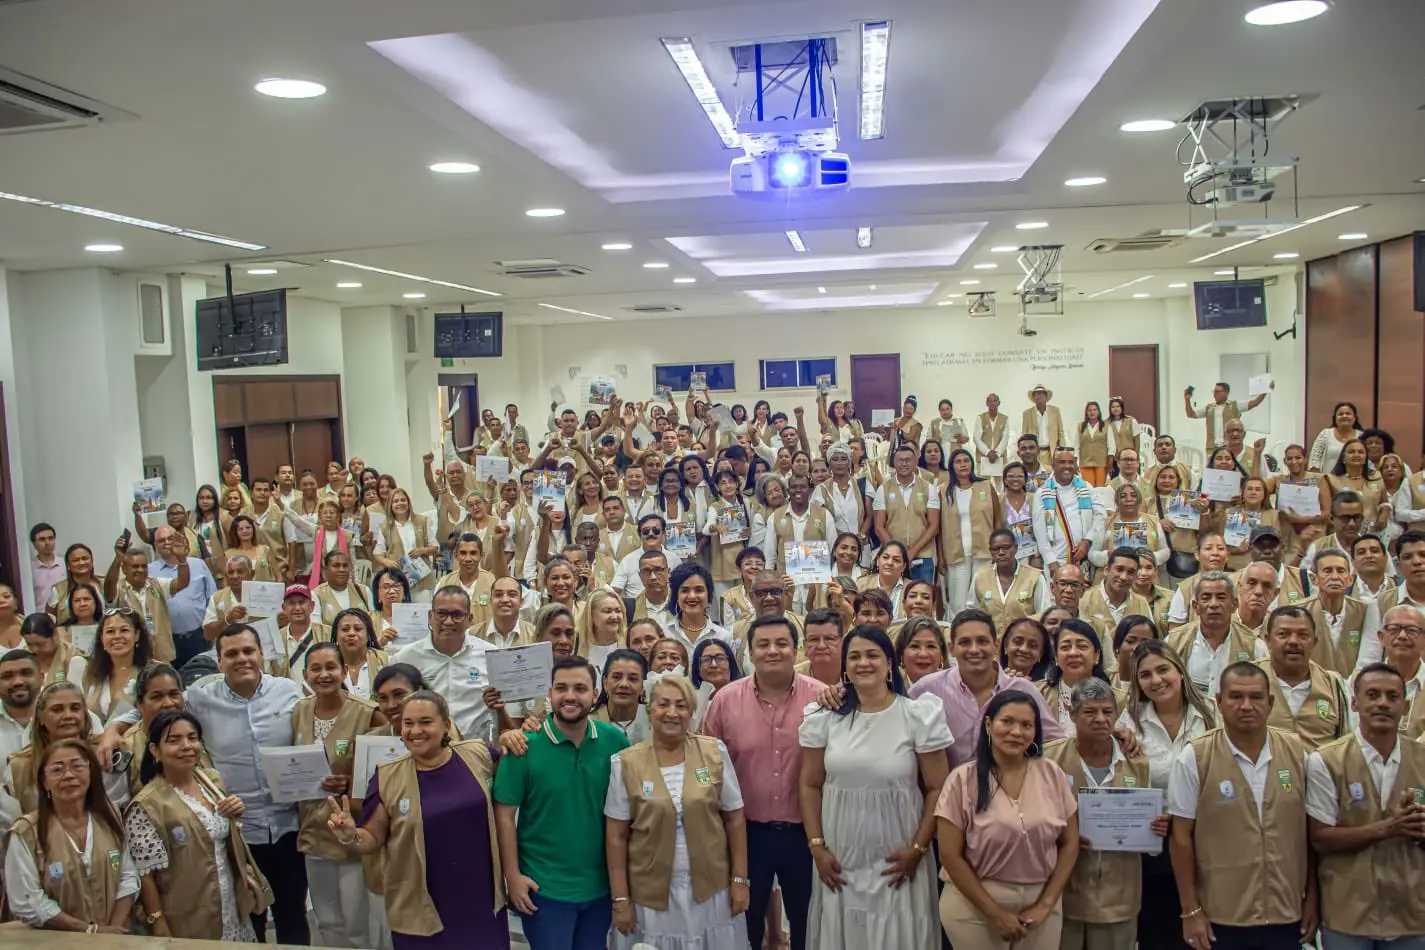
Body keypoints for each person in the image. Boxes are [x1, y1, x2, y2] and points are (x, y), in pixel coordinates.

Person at [95, 622, 310, 945]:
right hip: (238, 834)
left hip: (288, 828)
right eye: (232, 653)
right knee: (249, 919)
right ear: (219, 661)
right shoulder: (199, 698)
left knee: (293, 917)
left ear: (262, 654)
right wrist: (113, 730)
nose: (242, 659)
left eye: (249, 651)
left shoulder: (289, 691)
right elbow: (156, 708)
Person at [798, 624, 951, 950]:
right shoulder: (823, 717)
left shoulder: (917, 715)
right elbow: (810, 784)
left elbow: (938, 788)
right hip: (840, 859)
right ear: (845, 668)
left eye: (872, 655)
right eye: (854, 657)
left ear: (889, 664)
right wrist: (817, 848)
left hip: (899, 859)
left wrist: (918, 850)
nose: (863, 663)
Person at [327, 690, 511, 950]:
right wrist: (350, 835)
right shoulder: (387, 776)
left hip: (480, 900)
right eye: (408, 723)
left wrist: (510, 734)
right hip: (420, 908)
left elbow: (513, 766)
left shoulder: (477, 754)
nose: (415, 731)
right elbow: (372, 838)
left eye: (426, 722)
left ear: (446, 725)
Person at [1168, 662, 1316, 950]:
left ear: (1270, 703)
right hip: (1221, 916)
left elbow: (1310, 833)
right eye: (1236, 697)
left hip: (1285, 913)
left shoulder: (1298, 753)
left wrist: (1312, 897)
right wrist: (1190, 910)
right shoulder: (1195, 758)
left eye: (1256, 697)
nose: (1246, 706)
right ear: (1219, 701)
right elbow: (1181, 838)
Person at [701, 615, 824, 950]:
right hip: (746, 835)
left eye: (782, 643)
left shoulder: (822, 699)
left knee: (808, 923)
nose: (773, 651)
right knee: (746, 923)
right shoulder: (725, 701)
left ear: (796, 649)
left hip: (805, 835)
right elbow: (705, 769)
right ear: (750, 653)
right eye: (763, 645)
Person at [605, 673, 749, 950]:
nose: (672, 713)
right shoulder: (625, 763)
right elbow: (616, 837)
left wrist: (740, 880)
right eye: (663, 704)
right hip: (652, 897)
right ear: (649, 709)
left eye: (682, 705)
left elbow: (734, 819)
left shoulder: (713, 752)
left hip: (711, 892)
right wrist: (620, 899)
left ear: (692, 712)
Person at [494, 656, 629, 950]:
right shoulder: (524, 746)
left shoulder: (615, 741)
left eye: (580, 688)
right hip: (545, 888)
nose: (570, 696)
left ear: (595, 695)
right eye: (561, 688)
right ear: (549, 693)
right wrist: (512, 877)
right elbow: (504, 815)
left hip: (600, 887)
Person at [936, 689, 1080, 949]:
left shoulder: (1052, 774)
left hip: (1041, 907)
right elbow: (949, 855)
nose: (1017, 732)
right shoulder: (962, 779)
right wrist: (994, 914)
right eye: (1007, 721)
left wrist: (1046, 904)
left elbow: (1070, 843)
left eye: (1027, 725)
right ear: (989, 725)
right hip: (975, 908)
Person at [1307, 662, 1425, 950]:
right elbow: (1320, 838)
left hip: (1412, 914)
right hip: (1348, 915)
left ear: (1405, 706)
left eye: (1392, 696)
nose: (1383, 703)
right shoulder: (1325, 761)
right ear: (1355, 702)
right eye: (1372, 695)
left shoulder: (1422, 759)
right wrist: (1389, 828)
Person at [124, 708, 270, 940]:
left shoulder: (211, 780)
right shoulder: (147, 805)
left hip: (230, 905)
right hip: (185, 914)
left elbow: (220, 837)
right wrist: (157, 921)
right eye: (174, 740)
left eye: (192, 738)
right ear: (155, 750)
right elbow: (146, 876)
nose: (186, 746)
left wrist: (235, 812)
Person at [1044, 678, 1160, 950]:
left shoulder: (1136, 761)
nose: (1100, 719)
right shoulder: (1049, 760)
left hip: (1118, 896)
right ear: (1072, 714)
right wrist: (1061, 834)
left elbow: (1147, 820)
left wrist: (1155, 828)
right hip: (1062, 893)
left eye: (1107, 712)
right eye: (1089, 712)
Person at [1117, 639, 1215, 949]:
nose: (1156, 681)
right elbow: (1119, 785)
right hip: (1154, 851)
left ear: (1181, 672)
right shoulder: (1129, 721)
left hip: (1209, 846)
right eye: (1145, 675)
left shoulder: (1213, 713)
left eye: (1163, 670)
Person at [293, 641, 383, 947]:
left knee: (357, 924)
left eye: (331, 667)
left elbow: (388, 760)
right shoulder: (300, 711)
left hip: (351, 832)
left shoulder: (367, 713)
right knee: (327, 921)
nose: (324, 674)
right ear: (305, 674)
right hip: (313, 833)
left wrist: (352, 783)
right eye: (315, 668)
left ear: (344, 670)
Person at [4, 738, 139, 933]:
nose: (68, 775)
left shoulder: (109, 818)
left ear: (92, 773)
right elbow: (27, 901)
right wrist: (89, 931)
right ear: (45, 782)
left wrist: (113, 929)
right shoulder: (26, 832)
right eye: (57, 770)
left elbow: (127, 877)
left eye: (77, 766)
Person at [909, 608, 1064, 769]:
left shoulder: (1024, 690)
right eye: (965, 642)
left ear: (996, 645)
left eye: (982, 641)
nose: (974, 649)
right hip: (950, 791)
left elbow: (1055, 746)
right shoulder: (926, 689)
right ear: (951, 648)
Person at [393, 585, 495, 742]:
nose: (448, 621)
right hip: (423, 751)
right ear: (429, 616)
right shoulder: (405, 659)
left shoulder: (490, 655)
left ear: (470, 620)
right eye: (441, 614)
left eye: (457, 615)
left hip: (474, 752)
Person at [1256, 605, 1351, 750]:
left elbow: (1344, 746)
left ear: (1314, 641)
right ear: (1268, 640)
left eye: (1303, 635)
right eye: (1283, 634)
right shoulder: (1247, 680)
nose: (1294, 641)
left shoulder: (1333, 684)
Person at [1165, 572, 1267, 695]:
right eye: (1206, 598)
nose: (1213, 604)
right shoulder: (1174, 642)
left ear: (1234, 605)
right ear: (1195, 606)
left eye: (1221, 597)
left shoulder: (1254, 646)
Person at [1303, 547, 1383, 676]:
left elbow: (1370, 658)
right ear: (1314, 579)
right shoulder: (1299, 611)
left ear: (1350, 579)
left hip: (1354, 689)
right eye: (1327, 571)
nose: (1335, 577)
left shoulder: (1366, 609)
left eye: (1341, 571)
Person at [149, 525, 219, 669]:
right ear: (155, 546)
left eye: (170, 539)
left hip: (199, 637)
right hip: (167, 641)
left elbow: (213, 598)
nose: (167, 543)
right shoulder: (148, 571)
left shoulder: (198, 564)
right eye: (161, 540)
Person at [1077, 547, 1152, 675]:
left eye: (1131, 572)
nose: (1124, 577)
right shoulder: (1084, 600)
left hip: (1132, 675)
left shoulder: (1142, 603)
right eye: (1119, 569)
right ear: (1106, 570)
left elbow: (1150, 644)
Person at [1032, 448, 1104, 580]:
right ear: (1053, 466)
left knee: (1083, 598)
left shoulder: (1086, 487)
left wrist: (1087, 541)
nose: (1067, 466)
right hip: (1056, 559)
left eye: (1071, 462)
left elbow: (1100, 515)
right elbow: (1039, 531)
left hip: (1084, 558)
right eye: (1062, 462)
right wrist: (1050, 560)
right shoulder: (1042, 493)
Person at [940, 448, 998, 611]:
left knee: (981, 599)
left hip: (984, 552)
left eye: (966, 461)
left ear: (972, 464)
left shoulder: (986, 486)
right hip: (956, 554)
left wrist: (997, 549)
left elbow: (998, 519)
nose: (963, 465)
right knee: (958, 603)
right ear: (952, 467)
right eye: (958, 462)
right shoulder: (944, 491)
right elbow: (939, 528)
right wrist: (941, 557)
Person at [973, 529, 1051, 631]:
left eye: (1006, 548)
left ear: (1016, 548)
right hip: (992, 643)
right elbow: (972, 614)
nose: (1001, 553)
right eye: (996, 549)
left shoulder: (1035, 577)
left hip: (1025, 642)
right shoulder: (980, 577)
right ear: (990, 551)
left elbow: (1044, 614)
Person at [1183, 380, 1270, 452]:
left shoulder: (1235, 405)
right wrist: (1187, 400)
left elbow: (1255, 403)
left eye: (1218, 392)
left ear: (1226, 393)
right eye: (1214, 391)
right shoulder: (1209, 407)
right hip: (1212, 448)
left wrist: (1265, 390)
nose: (1214, 394)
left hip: (1230, 447)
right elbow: (1191, 414)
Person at [22, 611, 86, 686]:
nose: (34, 649)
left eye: (40, 644)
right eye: (29, 644)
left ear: (55, 634)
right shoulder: (23, 657)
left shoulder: (72, 656)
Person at [1022, 384, 1067, 469]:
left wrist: (1063, 452)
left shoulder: (1055, 411)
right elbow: (1024, 435)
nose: (1038, 396)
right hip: (1034, 452)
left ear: (1046, 396)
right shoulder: (1027, 414)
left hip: (1052, 452)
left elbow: (1060, 432)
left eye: (1041, 393)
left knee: (1052, 477)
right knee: (1036, 477)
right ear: (1033, 397)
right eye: (1036, 394)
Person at [796, 609, 844, 686]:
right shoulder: (791, 680)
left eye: (829, 639)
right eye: (814, 639)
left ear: (843, 644)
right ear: (805, 646)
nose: (821, 646)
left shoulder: (858, 676)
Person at [974, 394, 1010, 487]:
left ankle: (1000, 501)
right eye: (990, 401)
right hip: (983, 458)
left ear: (999, 403)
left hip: (999, 458)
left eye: (995, 400)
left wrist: (997, 453)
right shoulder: (980, 418)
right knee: (982, 486)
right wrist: (987, 452)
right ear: (986, 403)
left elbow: (1005, 438)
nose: (992, 403)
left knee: (1001, 486)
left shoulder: (1005, 418)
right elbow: (976, 438)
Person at [30, 523, 64, 615]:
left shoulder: (65, 564)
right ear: (33, 543)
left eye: (50, 538)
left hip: (64, 616)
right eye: (42, 539)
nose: (47, 543)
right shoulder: (30, 569)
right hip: (40, 617)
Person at [1078, 401, 1109, 488]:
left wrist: (1110, 459)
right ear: (1086, 412)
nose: (1092, 412)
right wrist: (1075, 460)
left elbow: (1111, 444)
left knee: (1100, 489)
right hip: (1085, 462)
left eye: (1094, 410)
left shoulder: (1105, 426)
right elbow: (1076, 445)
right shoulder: (1081, 426)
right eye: (1089, 410)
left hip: (1101, 462)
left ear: (1098, 412)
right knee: (1089, 488)